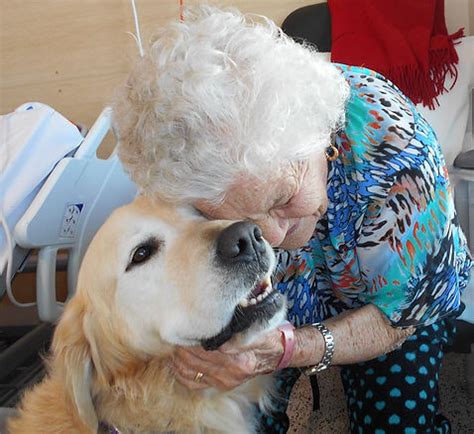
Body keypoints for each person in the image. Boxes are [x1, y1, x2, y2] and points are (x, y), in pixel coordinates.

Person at [112, 6, 473, 434]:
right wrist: (190, 348)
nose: (274, 236)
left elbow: (400, 315)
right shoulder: (184, 172)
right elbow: (166, 288)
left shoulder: (395, 144)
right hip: (262, 307)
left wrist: (291, 348)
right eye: (237, 219)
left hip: (390, 304)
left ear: (320, 137)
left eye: (283, 198)